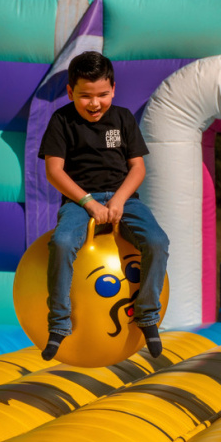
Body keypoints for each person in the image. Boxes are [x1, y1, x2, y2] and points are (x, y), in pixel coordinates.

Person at [37, 51, 169, 361]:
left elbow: (137, 168)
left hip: (123, 198)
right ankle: (58, 322)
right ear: (71, 92)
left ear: (113, 89)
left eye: (103, 94)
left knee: (157, 241)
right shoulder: (61, 121)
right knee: (62, 241)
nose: (95, 103)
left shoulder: (122, 118)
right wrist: (88, 203)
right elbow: (54, 171)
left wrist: (119, 200)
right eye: (85, 96)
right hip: (80, 200)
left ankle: (147, 315)